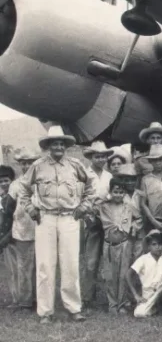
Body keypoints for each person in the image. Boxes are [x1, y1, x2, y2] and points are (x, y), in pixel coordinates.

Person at [15, 126, 97, 324]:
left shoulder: (76, 165)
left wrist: (84, 206)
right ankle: (45, 312)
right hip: (46, 218)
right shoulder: (38, 166)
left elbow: (91, 186)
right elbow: (23, 189)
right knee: (45, 265)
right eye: (55, 143)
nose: (58, 146)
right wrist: (31, 208)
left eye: (61, 143)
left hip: (70, 217)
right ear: (48, 146)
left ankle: (74, 308)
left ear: (66, 146)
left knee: (70, 264)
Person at [98, 179, 143, 314]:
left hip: (124, 244)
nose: (118, 195)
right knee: (110, 275)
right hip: (109, 244)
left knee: (123, 275)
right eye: (115, 192)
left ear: (124, 193)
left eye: (121, 192)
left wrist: (132, 228)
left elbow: (139, 218)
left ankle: (122, 303)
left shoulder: (128, 206)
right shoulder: (104, 206)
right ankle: (112, 303)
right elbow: (104, 220)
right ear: (110, 192)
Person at [80, 140, 114, 308]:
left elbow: (113, 195)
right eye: (97, 156)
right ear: (91, 157)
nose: (100, 159)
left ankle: (111, 297)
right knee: (91, 261)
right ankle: (87, 297)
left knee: (108, 259)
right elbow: (80, 198)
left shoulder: (109, 176)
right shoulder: (84, 175)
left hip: (107, 220)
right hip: (91, 219)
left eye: (103, 157)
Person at [5, 149, 39, 311]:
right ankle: (24, 300)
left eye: (30, 162)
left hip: (40, 229)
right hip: (22, 229)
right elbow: (9, 209)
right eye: (24, 163)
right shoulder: (15, 185)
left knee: (40, 266)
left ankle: (38, 298)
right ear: (19, 165)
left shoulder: (40, 183)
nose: (27, 166)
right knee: (24, 266)